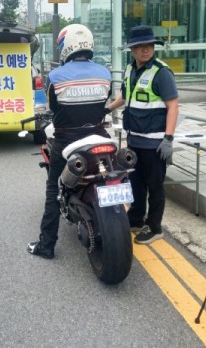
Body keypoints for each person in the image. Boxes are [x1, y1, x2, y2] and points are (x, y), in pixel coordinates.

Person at [27, 24, 112, 259]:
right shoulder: (104, 73)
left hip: (67, 139)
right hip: (99, 136)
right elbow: (105, 100)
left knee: (54, 189)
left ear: (66, 46)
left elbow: (53, 108)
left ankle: (46, 245)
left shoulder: (55, 76)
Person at [106, 25, 179, 245]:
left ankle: (154, 227)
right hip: (135, 140)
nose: (145, 50)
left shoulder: (161, 72)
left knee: (154, 187)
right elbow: (124, 96)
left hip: (155, 143)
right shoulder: (130, 70)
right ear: (132, 49)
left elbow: (173, 106)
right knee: (136, 183)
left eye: (149, 46)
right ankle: (136, 218)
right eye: (140, 47)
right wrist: (107, 109)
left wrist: (168, 139)